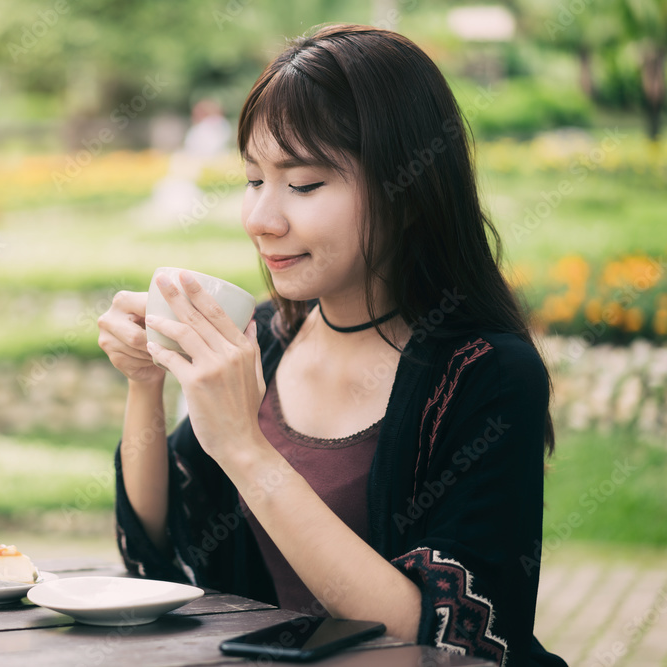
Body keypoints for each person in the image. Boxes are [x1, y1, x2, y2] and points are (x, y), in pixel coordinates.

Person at [97, 23, 566, 667]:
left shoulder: (486, 374)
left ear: (408, 193)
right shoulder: (264, 339)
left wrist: (244, 447)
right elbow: (157, 550)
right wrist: (145, 383)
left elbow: (444, 635)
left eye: (305, 184)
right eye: (254, 180)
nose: (263, 220)